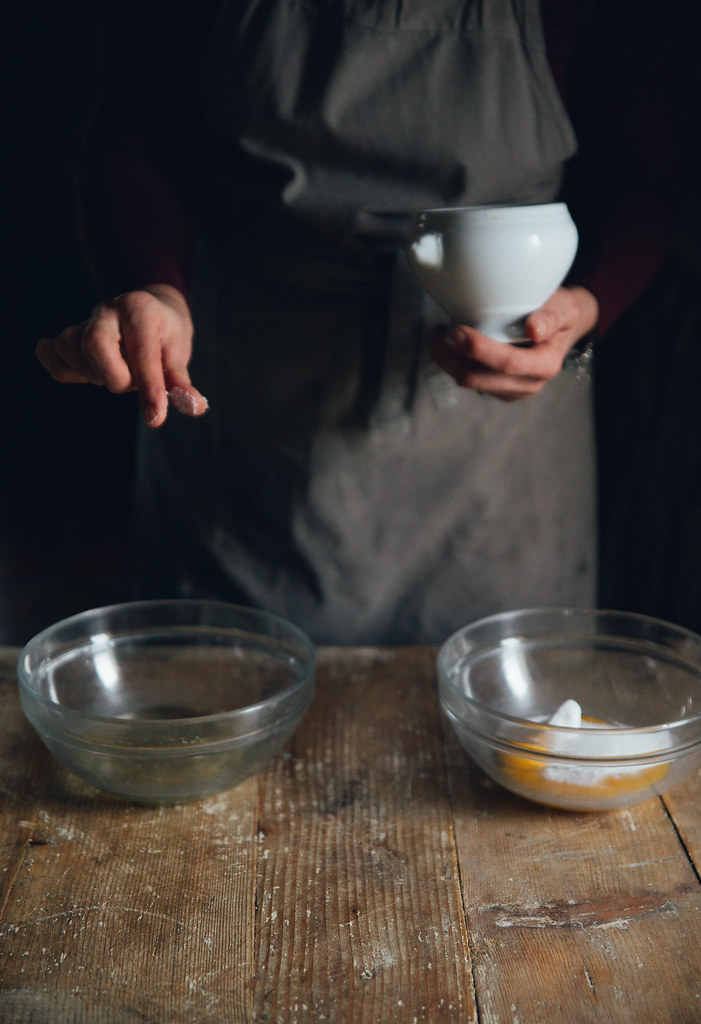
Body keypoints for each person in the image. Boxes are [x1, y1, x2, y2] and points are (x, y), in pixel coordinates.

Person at [37, 0, 687, 644]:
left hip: (503, 448)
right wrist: (152, 283)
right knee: (217, 700)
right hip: (251, 408)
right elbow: (134, 133)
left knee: (507, 718)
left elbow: (647, 177)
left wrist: (586, 305)